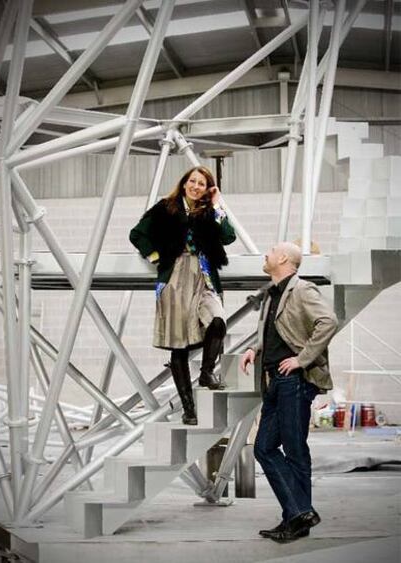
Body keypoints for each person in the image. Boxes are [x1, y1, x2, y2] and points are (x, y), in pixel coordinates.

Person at [240, 242, 338, 543]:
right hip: (273, 381)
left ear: (283, 258)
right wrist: (255, 348)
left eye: (270, 251)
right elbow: (280, 331)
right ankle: (299, 513)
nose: (265, 255)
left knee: (295, 451)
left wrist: (302, 359)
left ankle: (296, 520)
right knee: (263, 448)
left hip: (294, 381)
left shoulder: (303, 290)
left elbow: (328, 322)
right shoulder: (273, 293)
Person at [130, 166, 236, 425]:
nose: (196, 186)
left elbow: (229, 237)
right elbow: (137, 234)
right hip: (175, 278)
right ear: (184, 183)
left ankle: (206, 372)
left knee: (218, 320)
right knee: (179, 346)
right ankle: (189, 409)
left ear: (207, 188)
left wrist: (217, 204)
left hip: (204, 275)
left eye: (202, 183)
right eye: (193, 181)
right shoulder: (166, 207)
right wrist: (155, 257)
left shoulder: (210, 212)